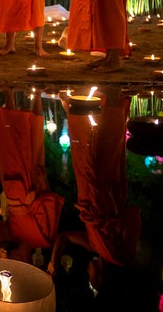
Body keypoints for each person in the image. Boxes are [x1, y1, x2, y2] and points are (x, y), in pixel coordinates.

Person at [49, 87, 140, 295]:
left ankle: (78, 107)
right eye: (89, 275)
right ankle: (113, 101)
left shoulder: (95, 246)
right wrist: (111, 215)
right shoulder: (119, 254)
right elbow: (133, 217)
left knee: (85, 150)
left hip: (89, 193)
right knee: (104, 151)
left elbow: (64, 237)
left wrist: (53, 262)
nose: (86, 271)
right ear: (99, 276)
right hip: (106, 195)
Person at [0, 88, 64, 262]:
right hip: (33, 188)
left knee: (9, 141)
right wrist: (43, 183)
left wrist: (1, 246)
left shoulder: (11, 240)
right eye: (16, 261)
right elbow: (50, 208)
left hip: (13, 192)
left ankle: (9, 94)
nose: (12, 257)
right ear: (26, 260)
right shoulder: (44, 239)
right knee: (34, 139)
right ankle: (37, 96)